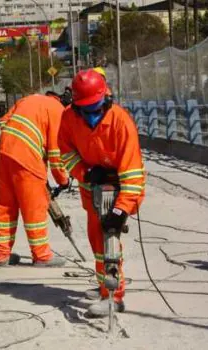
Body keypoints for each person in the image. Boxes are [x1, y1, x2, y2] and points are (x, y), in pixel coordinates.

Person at [58, 69, 145, 317]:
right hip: (92, 190)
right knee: (97, 242)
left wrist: (121, 210)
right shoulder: (69, 119)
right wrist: (85, 173)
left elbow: (132, 174)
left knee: (110, 239)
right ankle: (103, 286)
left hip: (121, 189)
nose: (92, 115)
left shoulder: (121, 121)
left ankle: (114, 296)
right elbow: (66, 152)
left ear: (105, 98)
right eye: (86, 110)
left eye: (96, 108)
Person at [0, 93, 70, 267]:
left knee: (5, 206)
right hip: (27, 159)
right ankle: (41, 256)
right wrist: (63, 180)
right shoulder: (58, 110)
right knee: (34, 207)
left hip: (5, 153)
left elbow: (3, 122)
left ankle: (1, 254)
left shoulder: (28, 99)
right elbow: (56, 151)